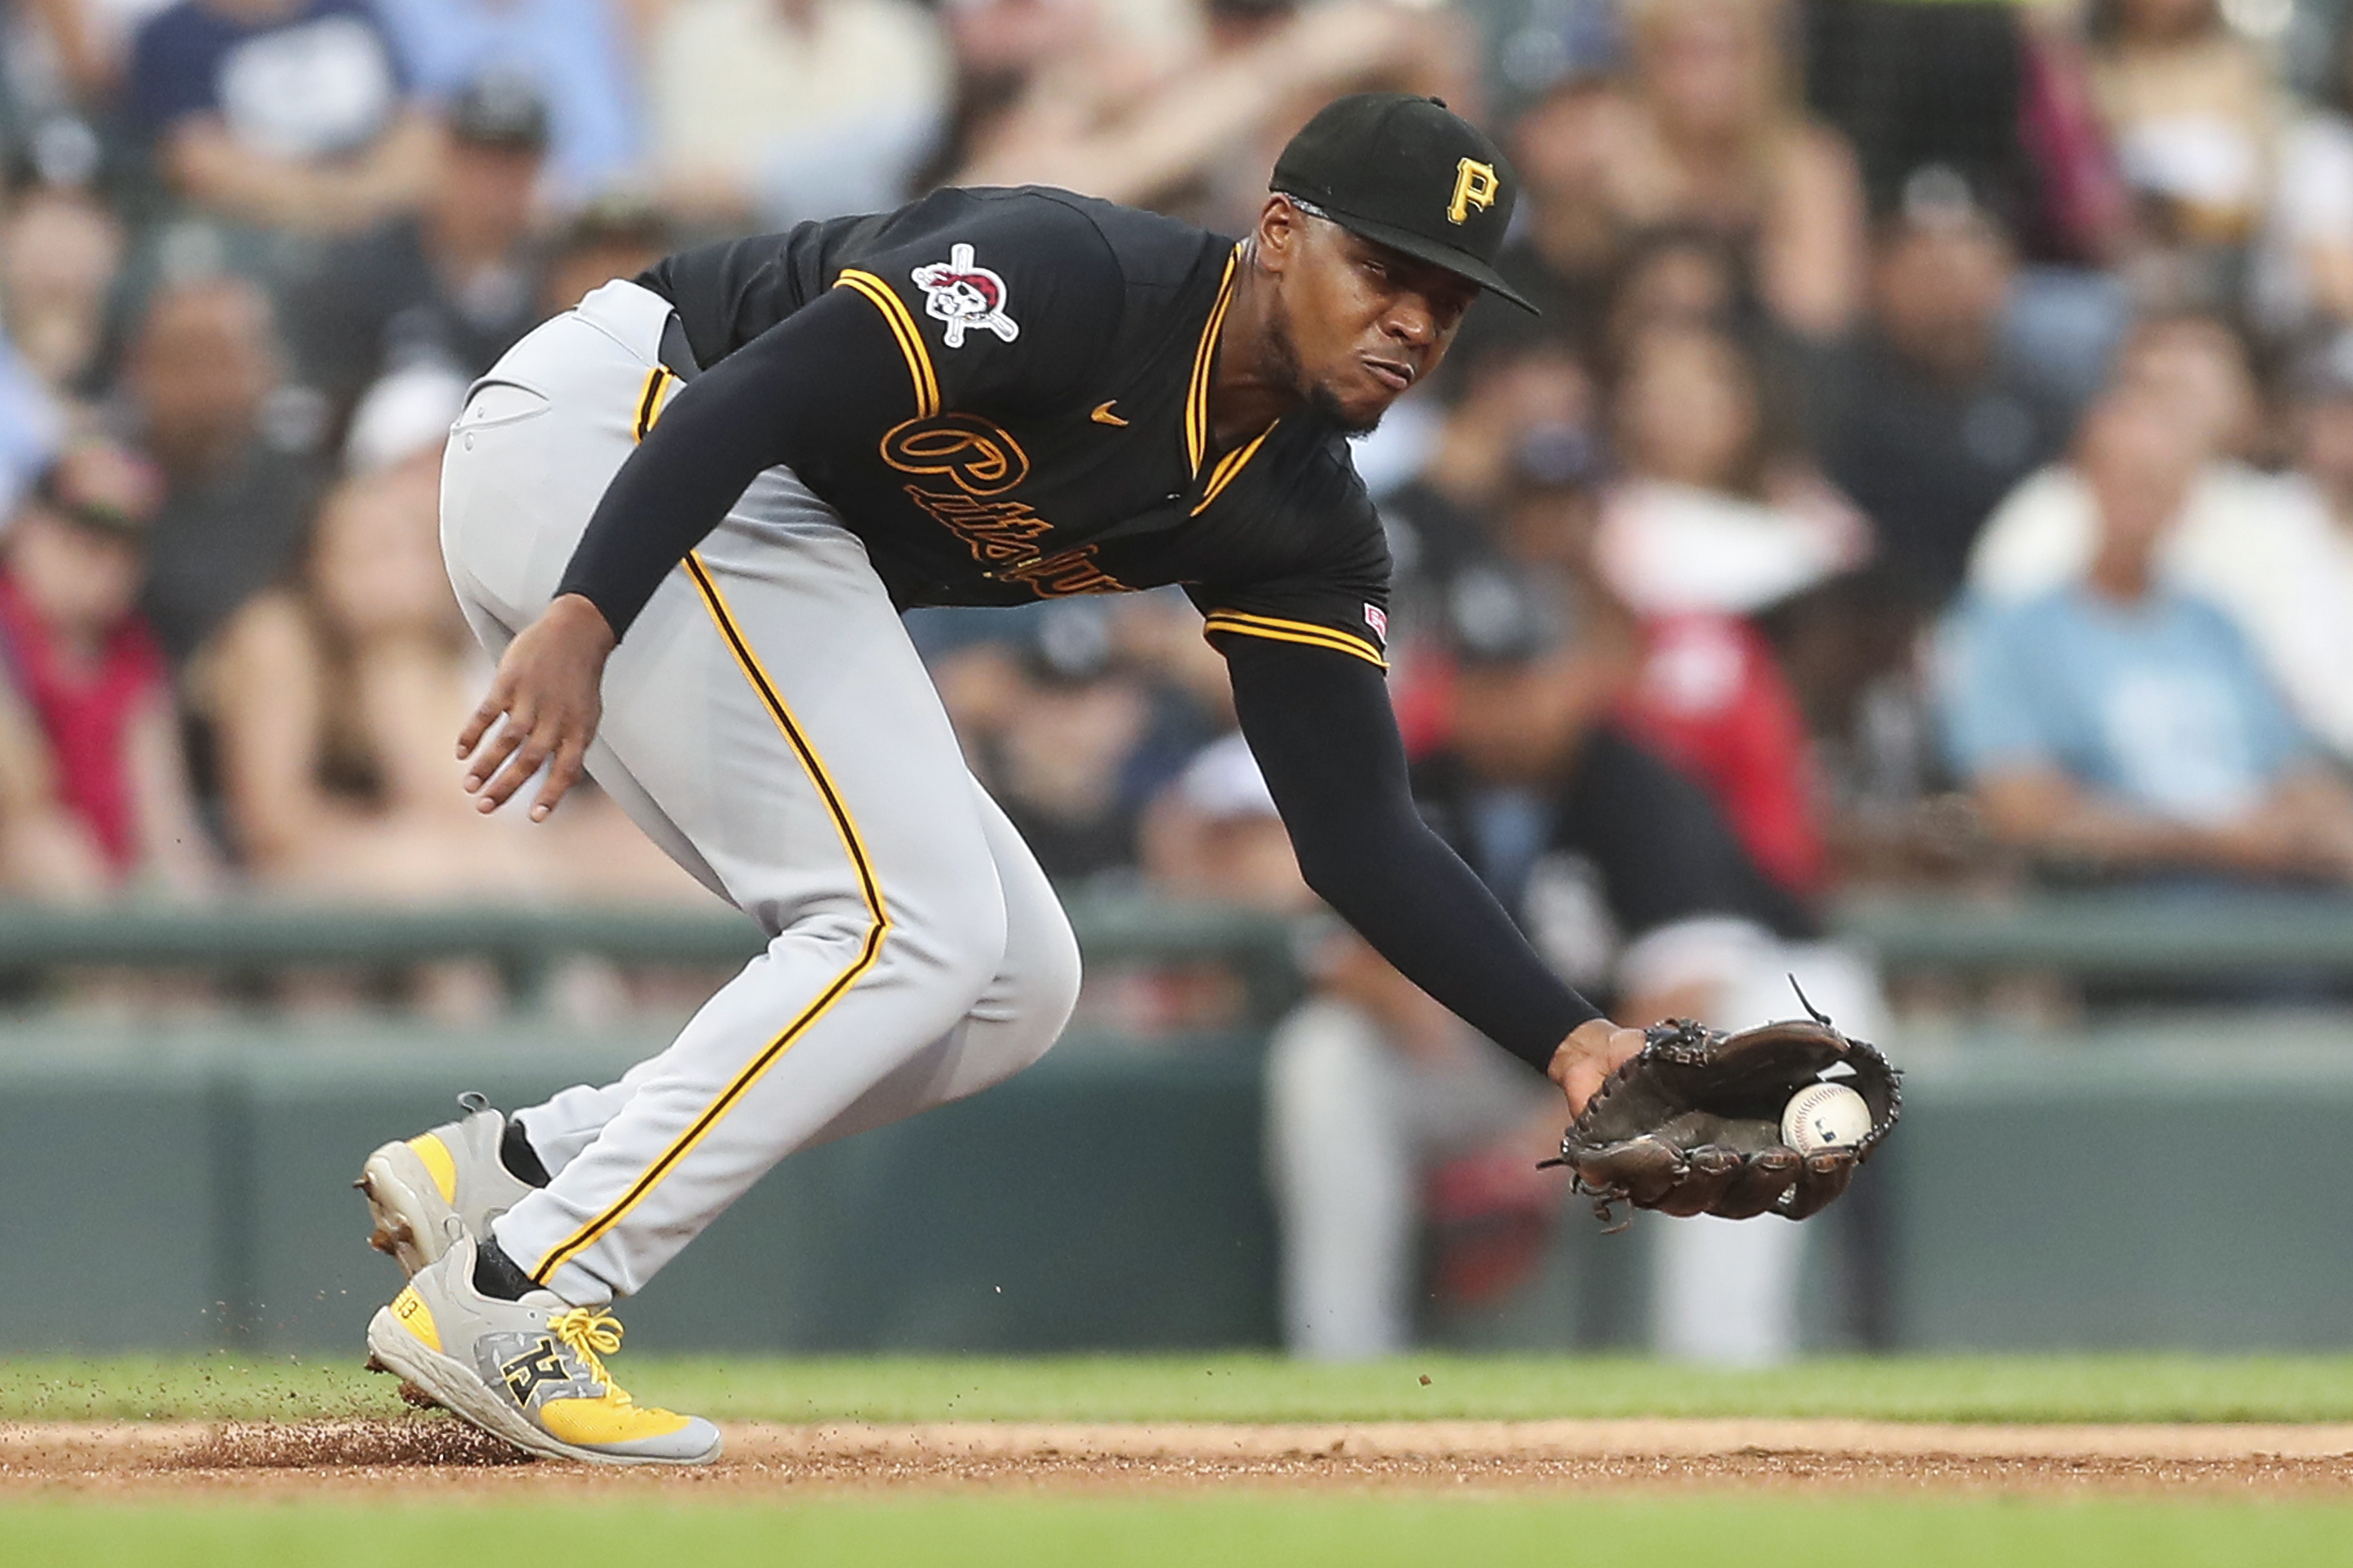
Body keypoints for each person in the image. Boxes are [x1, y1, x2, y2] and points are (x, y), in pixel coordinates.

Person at [354, 94, 1650, 1465]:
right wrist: (588, 611)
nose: (1410, 322)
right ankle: (517, 1289)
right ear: (1277, 233)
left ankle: (517, 1172)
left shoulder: (1302, 516)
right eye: (1382, 271)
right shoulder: (1074, 275)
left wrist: (1573, 1041)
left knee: (1014, 981)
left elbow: (1353, 831)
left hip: (718, 516)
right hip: (629, 431)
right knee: (911, 926)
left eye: (1444, 302)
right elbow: (759, 392)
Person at [1939, 390, 2353, 883]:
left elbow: (2293, 767)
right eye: (2123, 478)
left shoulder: (2218, 628)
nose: (2138, 500)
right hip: (2116, 915)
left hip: (2269, 905)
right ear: (2084, 481)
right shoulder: (2014, 635)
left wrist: (2309, 824)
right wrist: (2218, 843)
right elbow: (2021, 812)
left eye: (2156, 483)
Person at [0, 438, 214, 896]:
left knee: (185, 886)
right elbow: (23, 796)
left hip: (107, 889)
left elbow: (164, 818)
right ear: (26, 531)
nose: (105, 567)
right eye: (84, 542)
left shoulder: (134, 653)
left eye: (126, 550)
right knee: (46, 849)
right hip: (29, 886)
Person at [287, 73, 554, 430]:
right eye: (479, 161)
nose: (495, 183)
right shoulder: (368, 270)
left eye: (513, 164)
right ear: (445, 158)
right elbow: (327, 405)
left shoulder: (559, 271)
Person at [125, 0, 437, 237]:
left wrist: (369, 194)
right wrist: (337, 202)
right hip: (256, 229)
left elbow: (416, 126)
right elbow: (199, 160)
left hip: (384, 207)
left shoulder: (352, 10)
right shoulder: (171, 38)